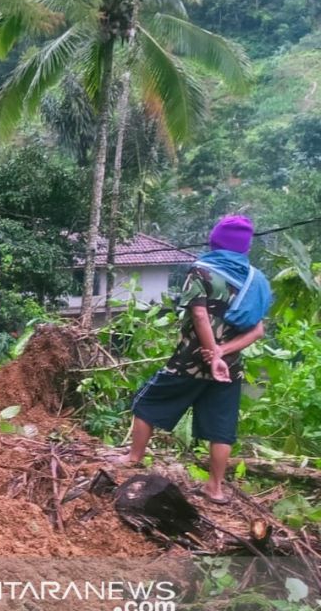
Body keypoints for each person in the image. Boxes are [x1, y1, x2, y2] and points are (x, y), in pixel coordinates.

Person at [117, 215, 272, 505]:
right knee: (221, 428)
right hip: (230, 366)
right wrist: (223, 353)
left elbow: (199, 315)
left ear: (215, 241)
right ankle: (215, 488)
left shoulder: (201, 270)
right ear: (245, 248)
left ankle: (134, 458)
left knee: (147, 403)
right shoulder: (257, 281)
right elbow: (259, 330)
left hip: (190, 360)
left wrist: (211, 352)